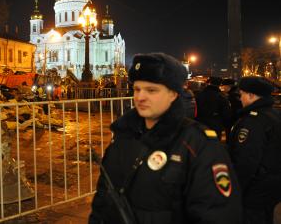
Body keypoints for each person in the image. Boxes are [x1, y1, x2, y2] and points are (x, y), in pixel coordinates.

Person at [89, 53, 242, 224]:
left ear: (173, 94)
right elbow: (104, 196)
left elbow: (218, 213)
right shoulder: (124, 135)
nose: (140, 97)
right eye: (137, 89)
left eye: (151, 90)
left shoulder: (198, 144)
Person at [228, 76, 281, 224]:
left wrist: (235, 190)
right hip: (272, 185)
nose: (240, 99)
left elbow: (246, 161)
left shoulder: (253, 121)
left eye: (242, 94)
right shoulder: (275, 115)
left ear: (251, 95)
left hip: (255, 190)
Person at [195, 76, 232, 141]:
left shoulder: (199, 95)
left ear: (209, 83)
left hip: (200, 125)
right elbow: (226, 114)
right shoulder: (221, 97)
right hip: (215, 127)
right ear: (219, 84)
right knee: (213, 145)